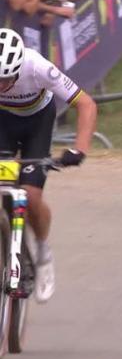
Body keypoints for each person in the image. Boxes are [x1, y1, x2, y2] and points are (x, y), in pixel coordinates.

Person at [0, 28, 97, 302]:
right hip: (2, 123)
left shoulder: (37, 66)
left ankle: (42, 252)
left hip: (37, 123)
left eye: (4, 79)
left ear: (18, 68)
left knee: (31, 195)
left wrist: (78, 149)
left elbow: (87, 105)